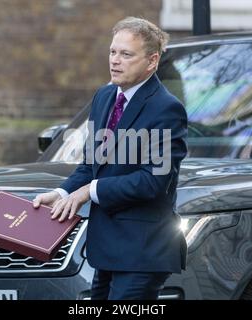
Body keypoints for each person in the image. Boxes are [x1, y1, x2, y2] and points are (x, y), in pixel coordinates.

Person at [33, 17, 188, 300]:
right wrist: (61, 192)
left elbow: (153, 181)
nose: (115, 61)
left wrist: (88, 192)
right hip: (105, 248)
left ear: (152, 61)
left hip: (143, 251)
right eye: (112, 52)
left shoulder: (167, 109)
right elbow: (93, 165)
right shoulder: (104, 96)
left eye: (126, 54)